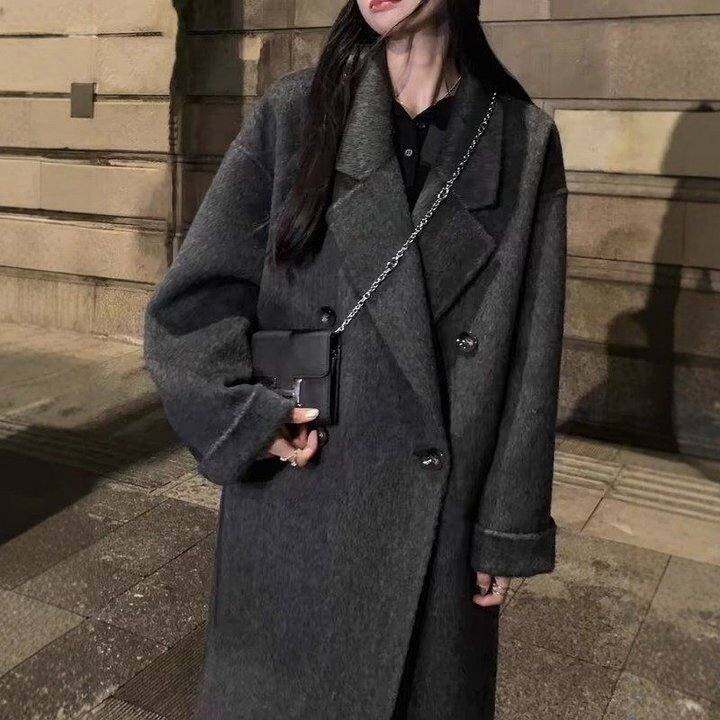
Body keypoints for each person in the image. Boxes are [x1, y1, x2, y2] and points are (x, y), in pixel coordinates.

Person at [143, 0, 568, 717]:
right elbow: (191, 306)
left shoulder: (521, 142)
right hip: (295, 510)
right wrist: (247, 417)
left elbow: (531, 349)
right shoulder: (294, 116)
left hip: (438, 533)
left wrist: (506, 525)